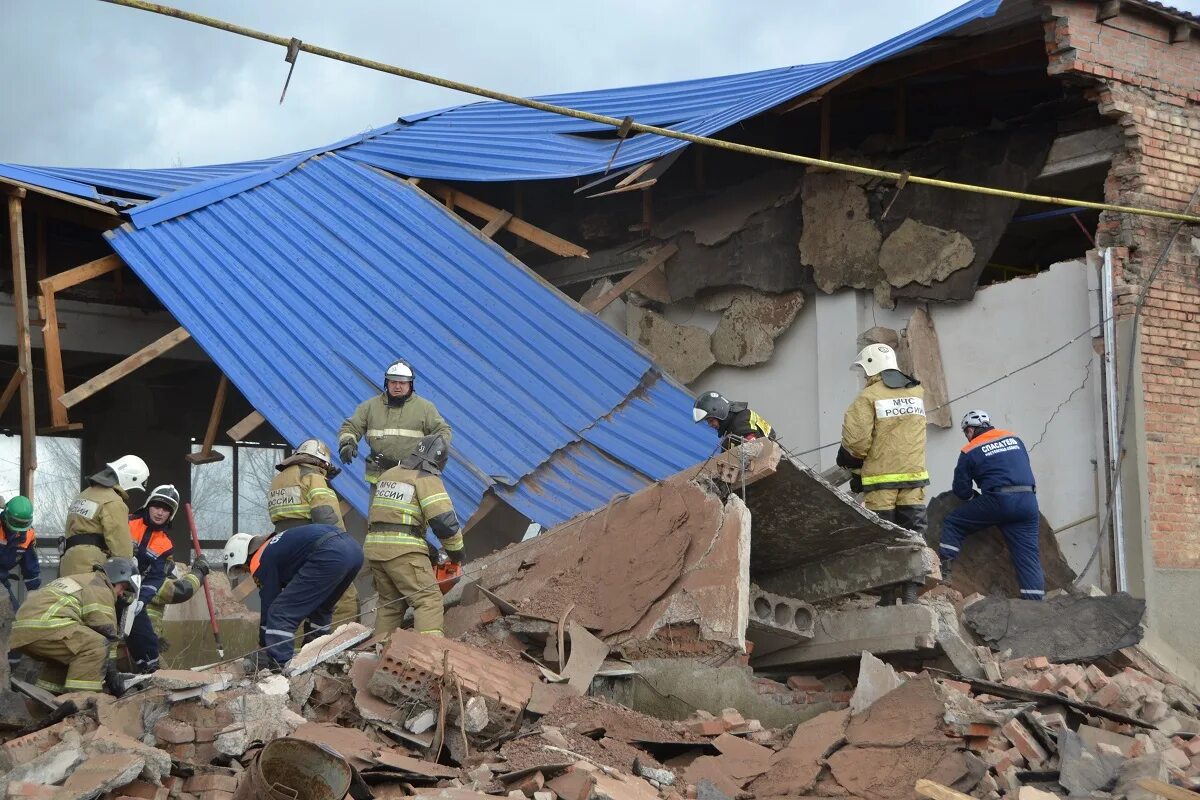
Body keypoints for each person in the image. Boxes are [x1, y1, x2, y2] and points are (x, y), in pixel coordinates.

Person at [223, 524, 363, 671]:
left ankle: (282, 667)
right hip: (353, 551)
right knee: (320, 609)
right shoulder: (274, 545)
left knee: (279, 613)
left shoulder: (260, 560)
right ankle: (317, 656)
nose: (247, 572)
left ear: (240, 556)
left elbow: (269, 603)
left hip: (330, 553)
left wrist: (264, 646)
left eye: (243, 568)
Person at [939, 410, 1044, 601]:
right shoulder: (1014, 438)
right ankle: (1036, 604)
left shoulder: (969, 450)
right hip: (1028, 502)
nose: (967, 437)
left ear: (970, 429)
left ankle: (944, 570)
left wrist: (974, 497)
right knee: (1028, 557)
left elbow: (961, 489)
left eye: (966, 433)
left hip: (999, 500)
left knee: (953, 522)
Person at [366, 434, 463, 638]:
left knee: (390, 604)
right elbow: (444, 522)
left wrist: (428, 548)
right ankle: (426, 657)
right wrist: (457, 553)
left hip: (375, 548)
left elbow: (391, 518)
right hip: (402, 551)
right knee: (428, 600)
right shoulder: (426, 478)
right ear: (440, 461)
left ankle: (379, 654)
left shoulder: (388, 475)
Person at [266, 438, 360, 638]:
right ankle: (338, 645)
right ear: (321, 461)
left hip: (288, 550)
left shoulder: (279, 479)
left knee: (297, 601)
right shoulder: (312, 477)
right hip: (317, 549)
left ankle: (297, 650)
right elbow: (327, 517)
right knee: (344, 596)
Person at [10, 557, 138, 696]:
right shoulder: (101, 586)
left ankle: (47, 697)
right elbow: (107, 633)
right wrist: (113, 677)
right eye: (123, 588)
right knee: (96, 645)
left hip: (23, 630)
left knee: (72, 652)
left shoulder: (82, 579)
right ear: (115, 577)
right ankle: (81, 699)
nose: (121, 594)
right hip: (46, 624)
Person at [838, 343, 929, 533]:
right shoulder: (916, 392)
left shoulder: (868, 396)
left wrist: (847, 461)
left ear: (872, 365)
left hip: (881, 483)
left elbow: (857, 443)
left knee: (884, 537)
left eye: (865, 370)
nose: (864, 375)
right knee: (914, 538)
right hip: (914, 478)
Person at [125, 485, 210, 673]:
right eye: (157, 507)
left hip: (140, 619)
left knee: (145, 657)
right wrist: (199, 572)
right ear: (148, 506)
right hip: (117, 587)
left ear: (171, 515)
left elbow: (163, 581)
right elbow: (183, 590)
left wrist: (142, 599)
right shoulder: (127, 522)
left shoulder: (164, 546)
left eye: (166, 509)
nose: (160, 512)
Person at [337, 360, 452, 489]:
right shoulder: (369, 407)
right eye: (393, 382)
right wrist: (347, 443)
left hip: (412, 476)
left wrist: (433, 455)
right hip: (379, 475)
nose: (397, 386)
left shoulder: (425, 408)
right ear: (387, 383)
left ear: (410, 384)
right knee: (380, 510)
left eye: (402, 383)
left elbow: (443, 431)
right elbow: (351, 427)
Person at [60, 455, 149, 578]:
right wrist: (128, 570)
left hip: (68, 562)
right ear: (130, 479)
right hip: (91, 567)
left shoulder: (83, 495)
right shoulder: (113, 502)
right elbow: (121, 548)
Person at [692, 392, 776, 450]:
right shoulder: (732, 430)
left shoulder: (740, 425)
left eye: (711, 420)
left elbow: (754, 450)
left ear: (719, 413)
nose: (710, 425)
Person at [0, 495, 39, 612]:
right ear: (6, 516)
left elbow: (30, 567)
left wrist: (34, 594)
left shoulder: (28, 535)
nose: (17, 529)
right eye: (15, 523)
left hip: (2, 581)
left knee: (13, 615)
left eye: (22, 524)